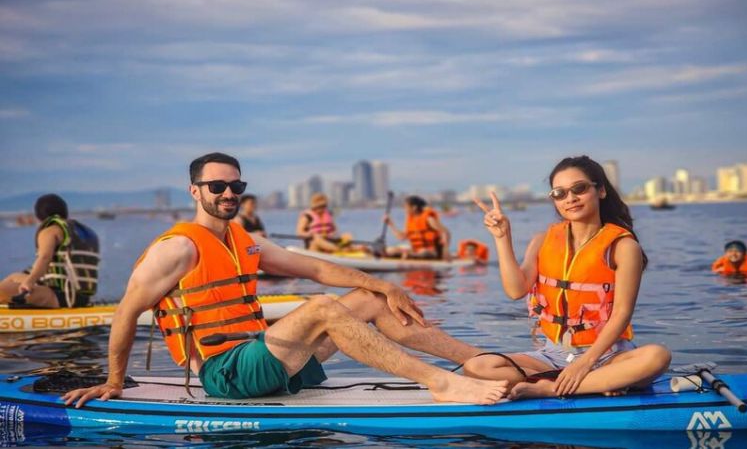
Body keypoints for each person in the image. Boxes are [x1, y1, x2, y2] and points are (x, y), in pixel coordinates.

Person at [62, 153, 506, 408]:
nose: (228, 194)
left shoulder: (243, 239)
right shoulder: (178, 248)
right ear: (195, 191)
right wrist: (114, 382)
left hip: (270, 360)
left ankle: (480, 359)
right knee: (321, 308)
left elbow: (315, 267)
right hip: (227, 374)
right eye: (216, 187)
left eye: (236, 186)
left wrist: (384, 285)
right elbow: (125, 313)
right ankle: (439, 382)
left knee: (370, 301)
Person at [465, 155, 671, 400]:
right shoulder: (542, 240)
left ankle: (550, 388)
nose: (570, 198)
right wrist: (502, 238)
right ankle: (595, 384)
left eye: (579, 189)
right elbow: (515, 290)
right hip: (553, 356)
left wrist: (584, 364)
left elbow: (621, 314)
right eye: (559, 193)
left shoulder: (624, 246)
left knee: (657, 357)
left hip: (608, 355)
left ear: (601, 190)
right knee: (476, 367)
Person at [0, 194, 100, 309]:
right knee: (14, 277)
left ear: (39, 215)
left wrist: (29, 282)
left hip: (62, 296)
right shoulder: (79, 231)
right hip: (81, 296)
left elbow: (44, 258)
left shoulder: (50, 231)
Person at [384, 196, 451, 261]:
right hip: (416, 250)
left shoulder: (429, 219)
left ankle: (410, 256)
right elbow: (401, 237)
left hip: (431, 252)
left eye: (406, 207)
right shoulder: (411, 220)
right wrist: (390, 224)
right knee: (390, 250)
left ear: (414, 207)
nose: (404, 209)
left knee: (424, 252)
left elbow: (445, 232)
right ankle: (408, 256)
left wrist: (445, 250)